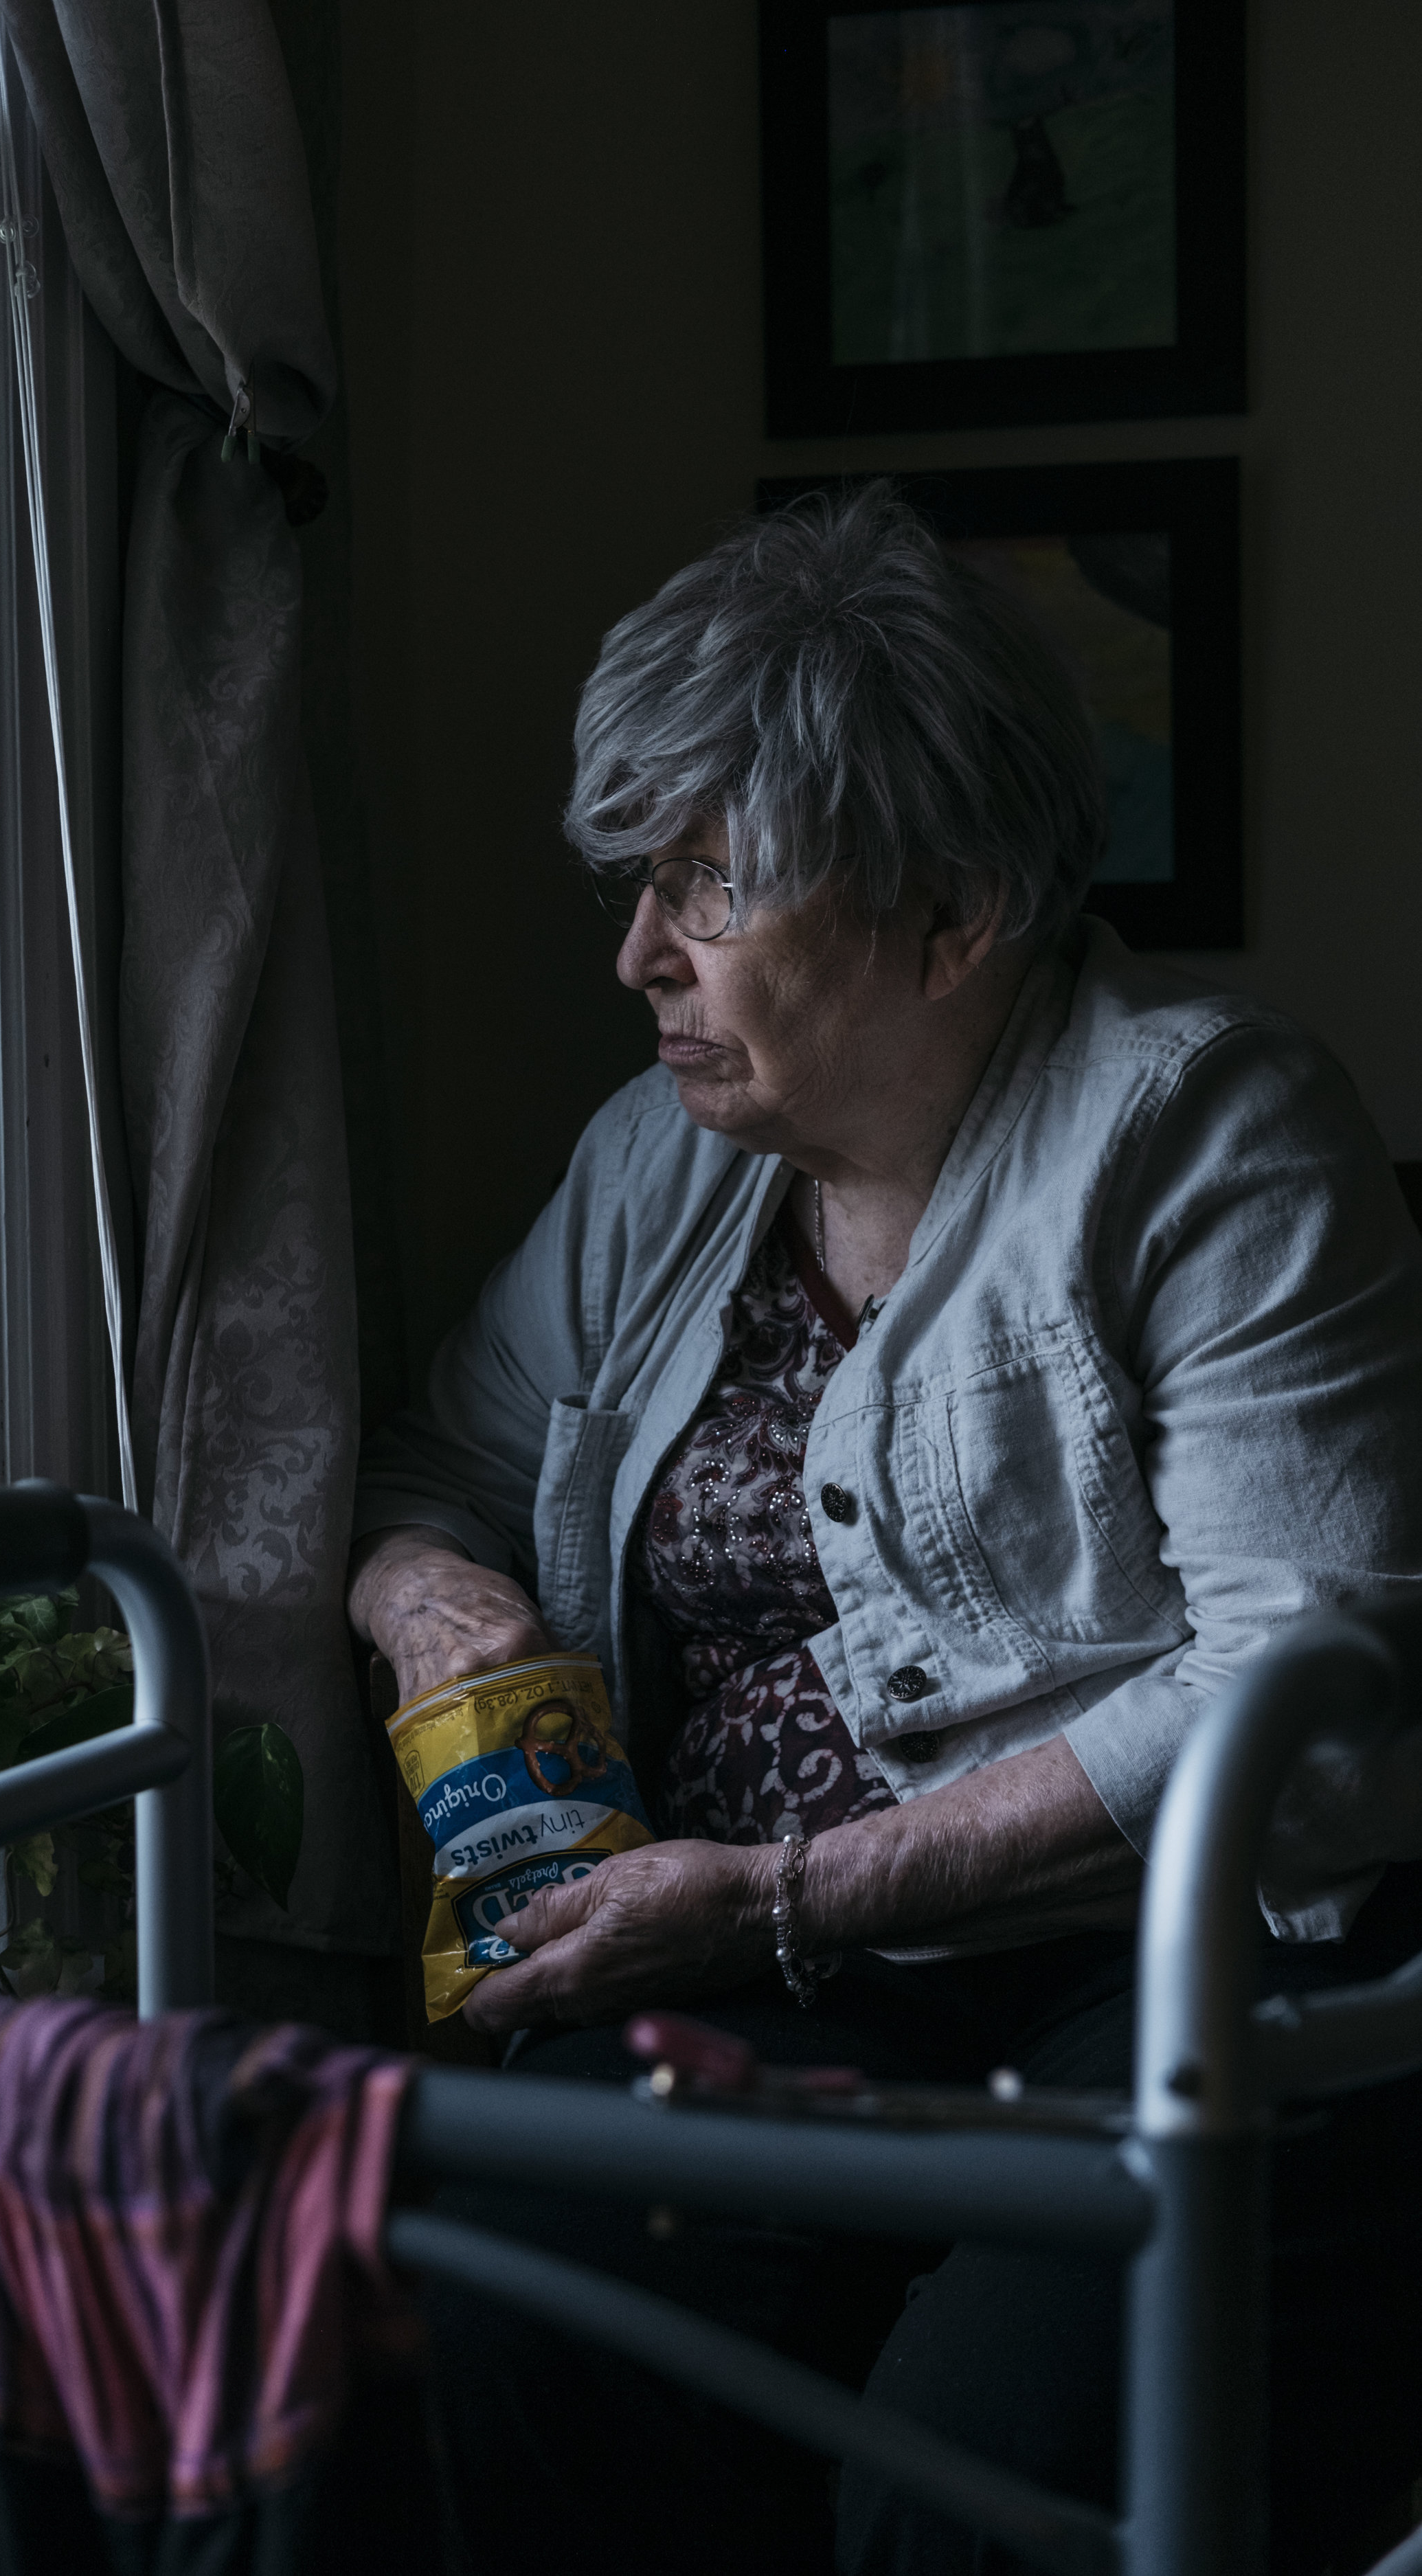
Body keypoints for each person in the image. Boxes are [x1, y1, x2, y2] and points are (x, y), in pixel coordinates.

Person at [348, 486, 1422, 2575]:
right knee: (493, 2310)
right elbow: (433, 1467)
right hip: (765, 1967)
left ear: (948, 916)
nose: (634, 954)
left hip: (1195, 1965)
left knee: (975, 2477)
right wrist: (430, 1597)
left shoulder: (1208, 1129)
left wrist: (782, 1891)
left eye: (706, 892)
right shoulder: (659, 1160)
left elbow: (1304, 1669)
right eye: (636, 881)